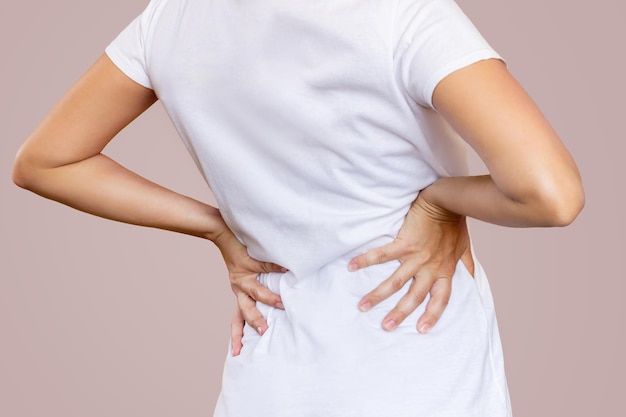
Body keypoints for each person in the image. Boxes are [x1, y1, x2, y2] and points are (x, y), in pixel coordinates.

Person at [12, 0, 584, 416]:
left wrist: (219, 229)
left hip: (267, 373)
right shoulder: (402, 15)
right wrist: (438, 202)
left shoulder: (167, 20)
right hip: (415, 354)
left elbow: (46, 161)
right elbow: (549, 194)